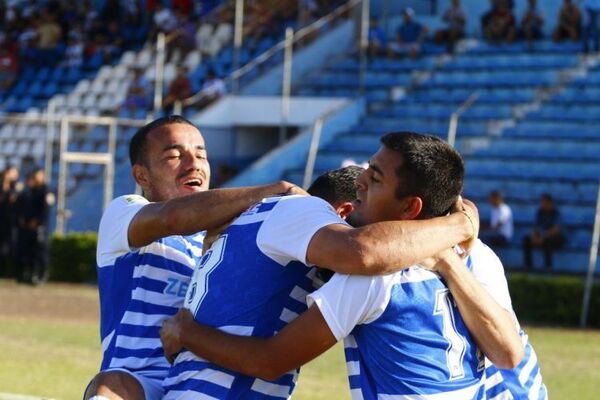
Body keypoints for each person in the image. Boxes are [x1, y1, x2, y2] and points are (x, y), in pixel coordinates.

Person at [160, 133, 522, 399]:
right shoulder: (480, 255)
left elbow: (272, 360)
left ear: (410, 209)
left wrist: (186, 332)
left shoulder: (372, 276)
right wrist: (454, 242)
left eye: (375, 177)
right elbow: (508, 354)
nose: (360, 180)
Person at [83, 115, 307, 400]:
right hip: (139, 383)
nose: (194, 163)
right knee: (111, 387)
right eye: (175, 155)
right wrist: (275, 191)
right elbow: (173, 217)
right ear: (142, 176)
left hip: (205, 381)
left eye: (201, 154)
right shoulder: (124, 214)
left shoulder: (232, 240)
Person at [14, 168, 51, 285]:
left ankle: (42, 275)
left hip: (40, 227)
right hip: (29, 227)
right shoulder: (32, 190)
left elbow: (45, 210)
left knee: (41, 252)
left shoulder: (46, 191)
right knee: (30, 252)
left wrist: (38, 221)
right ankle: (31, 275)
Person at [523, 193, 566, 270]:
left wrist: (543, 237)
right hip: (542, 236)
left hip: (554, 237)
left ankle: (548, 268)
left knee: (548, 242)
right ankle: (528, 266)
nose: (542, 204)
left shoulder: (556, 213)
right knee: (526, 240)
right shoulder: (540, 212)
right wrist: (533, 237)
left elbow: (556, 229)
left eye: (544, 203)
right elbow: (535, 227)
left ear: (550, 203)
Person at [0, 165, 20, 277]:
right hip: (2, 220)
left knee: (12, 247)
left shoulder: (17, 186)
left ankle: (12, 272)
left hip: (12, 222)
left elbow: (14, 200)